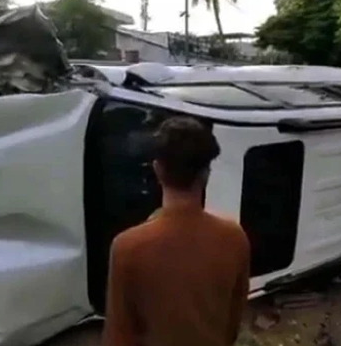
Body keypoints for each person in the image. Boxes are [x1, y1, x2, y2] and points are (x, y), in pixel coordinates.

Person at [103, 116, 251, 346]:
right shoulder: (234, 237)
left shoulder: (127, 247)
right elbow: (233, 321)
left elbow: (118, 335)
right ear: (206, 174)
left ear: (157, 169)